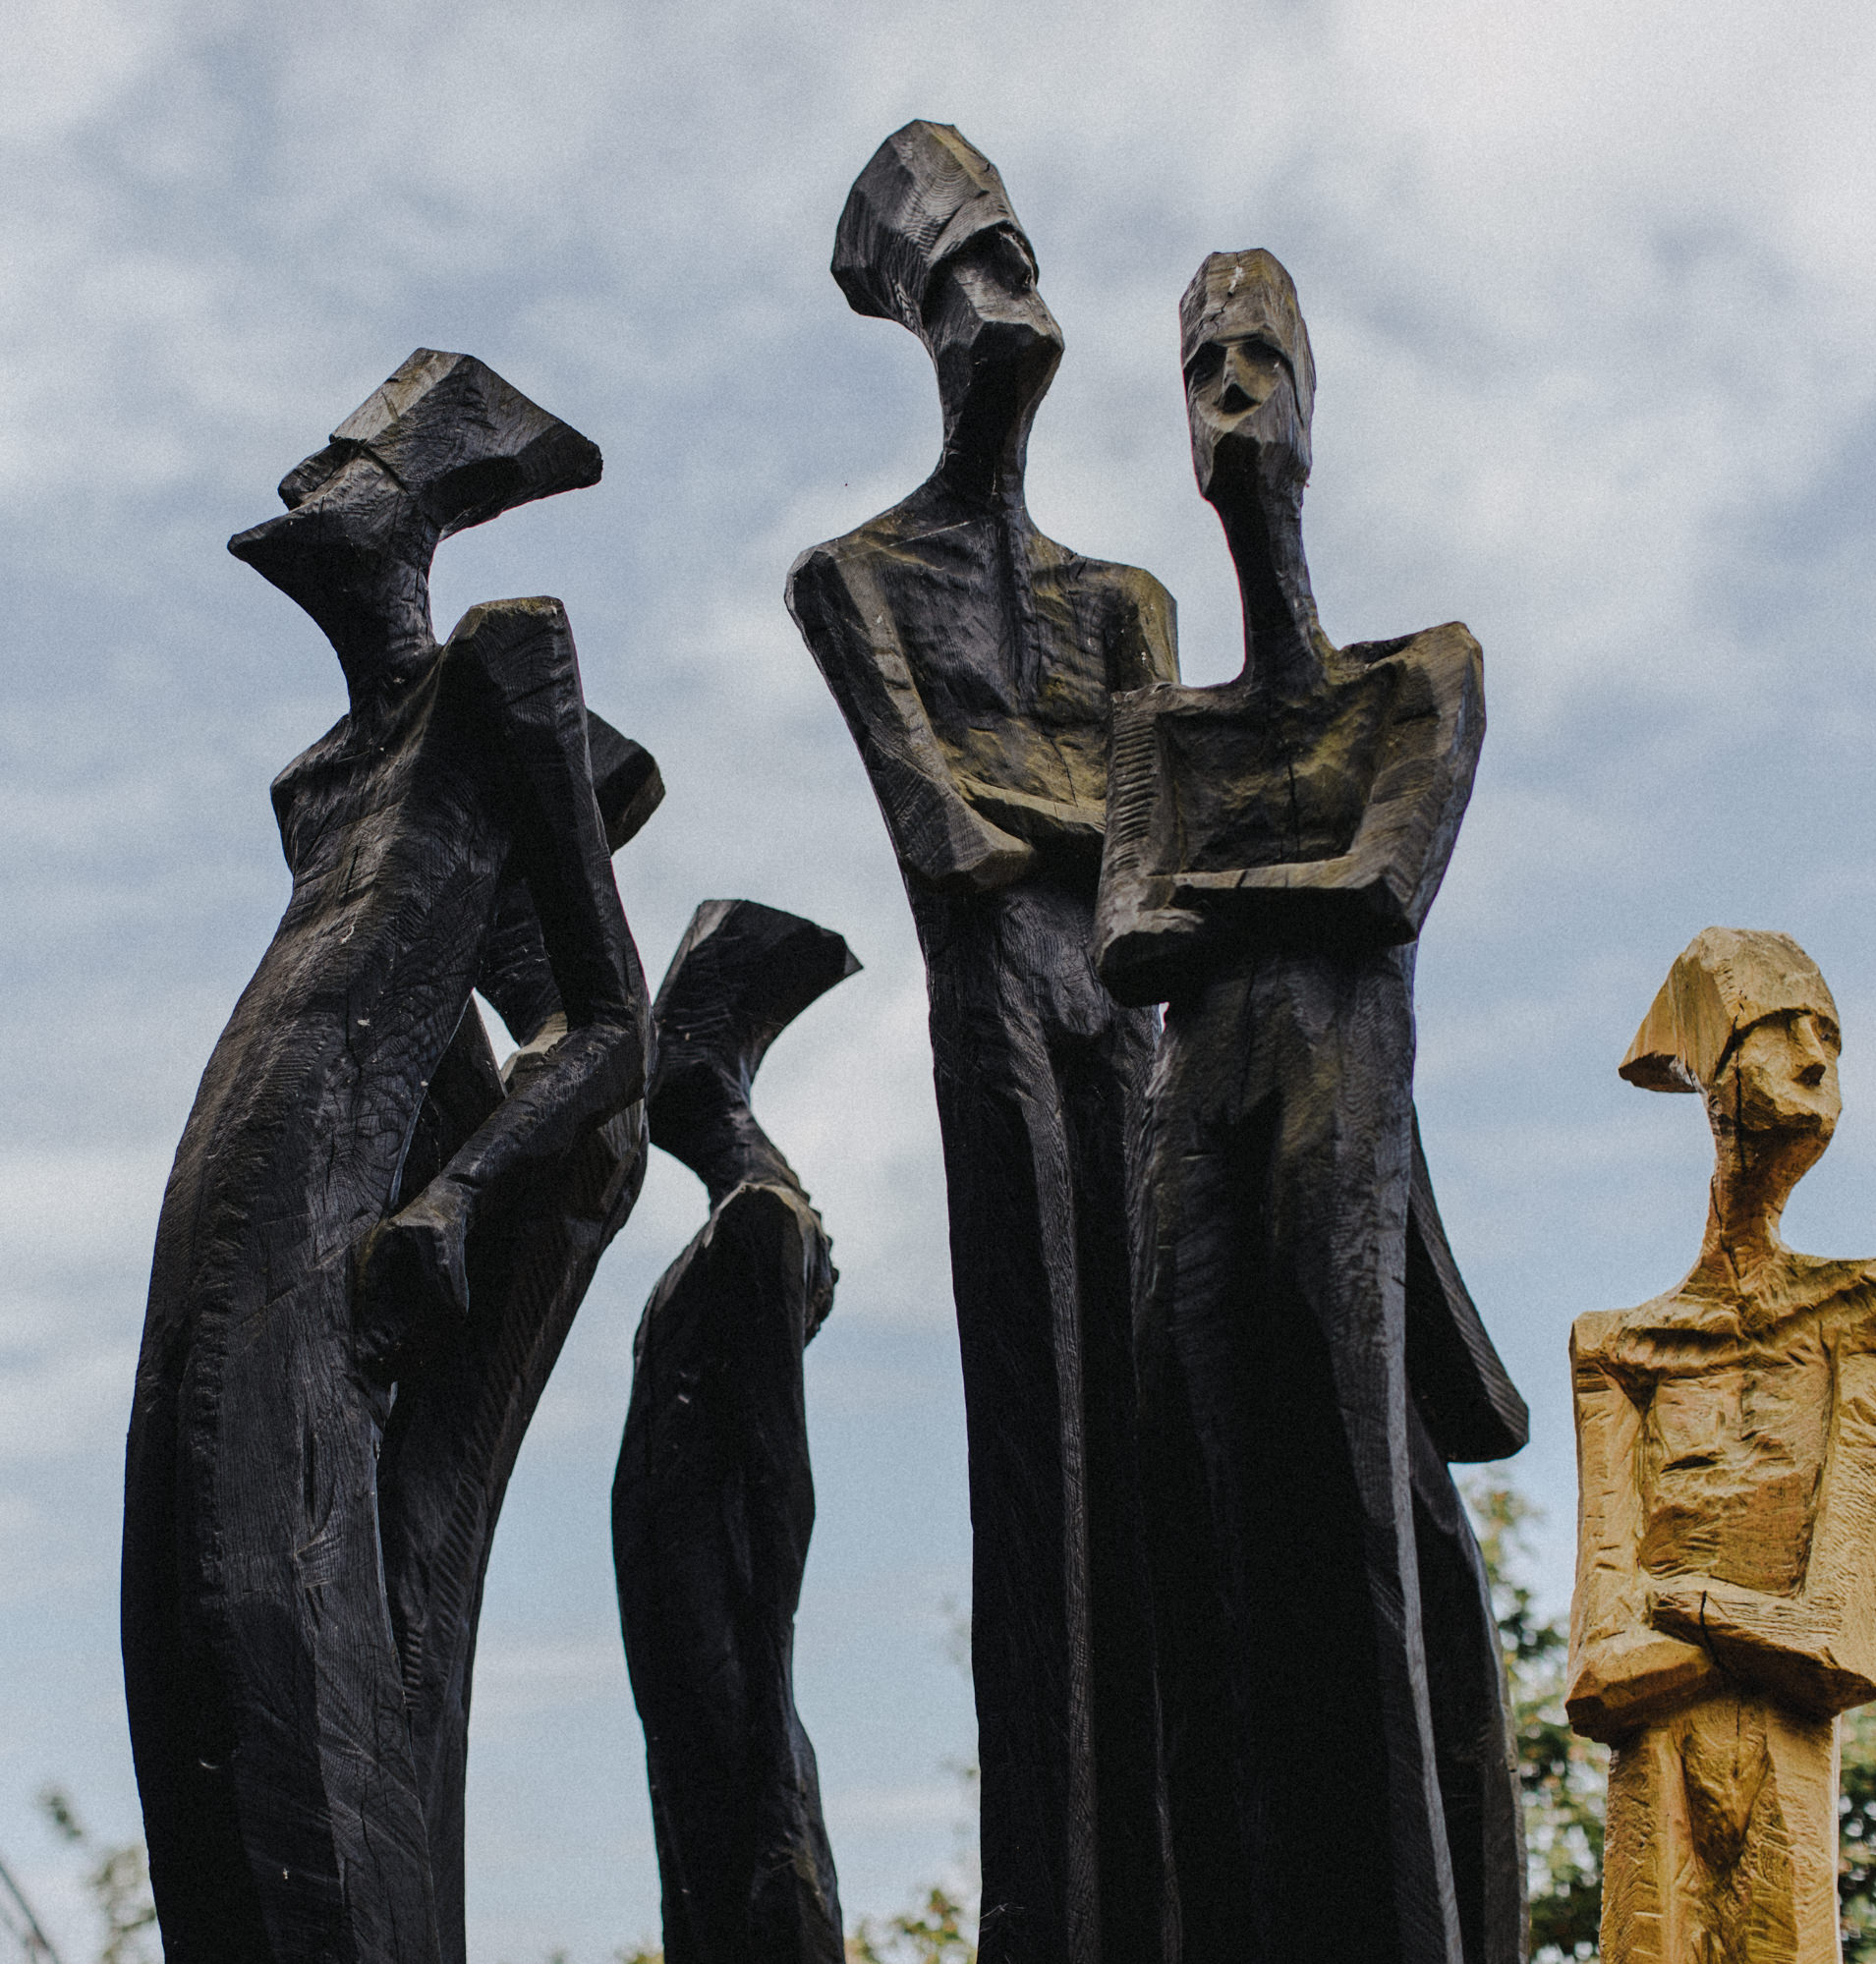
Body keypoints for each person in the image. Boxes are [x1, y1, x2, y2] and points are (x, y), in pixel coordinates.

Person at [123, 350, 654, 1964]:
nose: (301, 490)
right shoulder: (312, 781)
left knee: (275, 1614)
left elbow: (604, 1023)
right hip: (236, 1176)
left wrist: (454, 1202)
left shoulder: (504, 670)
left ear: (421, 514)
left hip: (350, 1213)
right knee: (185, 1607)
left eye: (339, 465)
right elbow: (448, 1036)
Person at [1095, 250, 1525, 1964]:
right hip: (1189, 1130)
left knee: (1355, 1498)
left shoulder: (1418, 671)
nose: (1228, 394)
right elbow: (1127, 936)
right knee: (1197, 1510)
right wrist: (1261, 887)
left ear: (1311, 399)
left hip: (1331, 1122)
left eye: (1258, 359)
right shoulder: (1157, 723)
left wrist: (1226, 893)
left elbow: (1381, 890)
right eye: (1201, 365)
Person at [786, 121, 1177, 1964]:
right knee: (1042, 1440)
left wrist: (1050, 805)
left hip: (1133, 1029)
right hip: (1001, 1024)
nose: (1012, 312)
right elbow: (944, 833)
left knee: (1164, 1437)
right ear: (918, 324)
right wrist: (1074, 803)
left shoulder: (1127, 602)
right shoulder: (849, 578)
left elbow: (1158, 846)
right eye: (971, 282)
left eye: (1017, 268)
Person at [1567, 928, 1876, 1964]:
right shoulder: (1616, 1348)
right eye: (1780, 1033)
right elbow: (1598, 1676)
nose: (1817, 1062)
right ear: (1712, 1076)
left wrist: (1678, 1602)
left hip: (1781, 1778)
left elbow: (1839, 1645)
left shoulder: (1869, 1306)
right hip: (1654, 1786)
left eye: (1828, 1038)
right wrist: (1749, 1627)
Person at [615, 899, 863, 1964]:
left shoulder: (760, 1220)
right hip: (677, 1610)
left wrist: (768, 1721)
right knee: (698, 1859)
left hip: (718, 1599)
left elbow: (778, 1480)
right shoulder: (723, 1233)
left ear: (706, 1079)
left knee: (751, 1849)